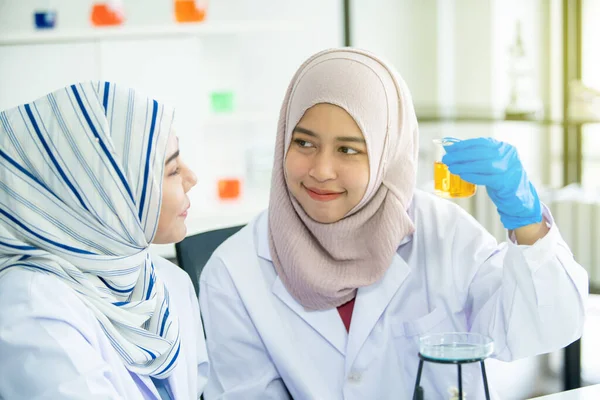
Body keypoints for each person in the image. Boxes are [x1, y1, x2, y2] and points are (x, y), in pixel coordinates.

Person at [198, 48, 588, 399]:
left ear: (388, 152)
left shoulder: (442, 231)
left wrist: (527, 218)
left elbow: (545, 326)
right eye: (304, 143)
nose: (321, 170)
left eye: (349, 149)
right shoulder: (233, 272)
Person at [0, 82, 208, 399]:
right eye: (172, 169)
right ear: (103, 193)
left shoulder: (166, 282)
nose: (192, 178)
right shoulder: (30, 304)